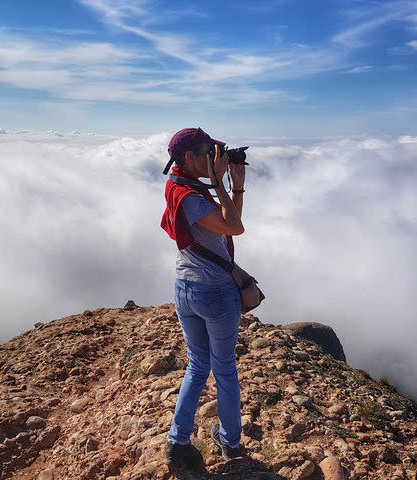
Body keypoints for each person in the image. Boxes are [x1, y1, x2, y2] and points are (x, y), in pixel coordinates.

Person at [160, 127, 247, 470]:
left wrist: (234, 186)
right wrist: (223, 184)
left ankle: (177, 441)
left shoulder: (180, 186)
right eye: (207, 152)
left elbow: (231, 220)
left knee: (198, 366)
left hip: (185, 288)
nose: (213, 157)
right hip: (213, 292)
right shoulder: (194, 197)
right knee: (223, 369)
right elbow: (236, 228)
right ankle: (230, 441)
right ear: (189, 158)